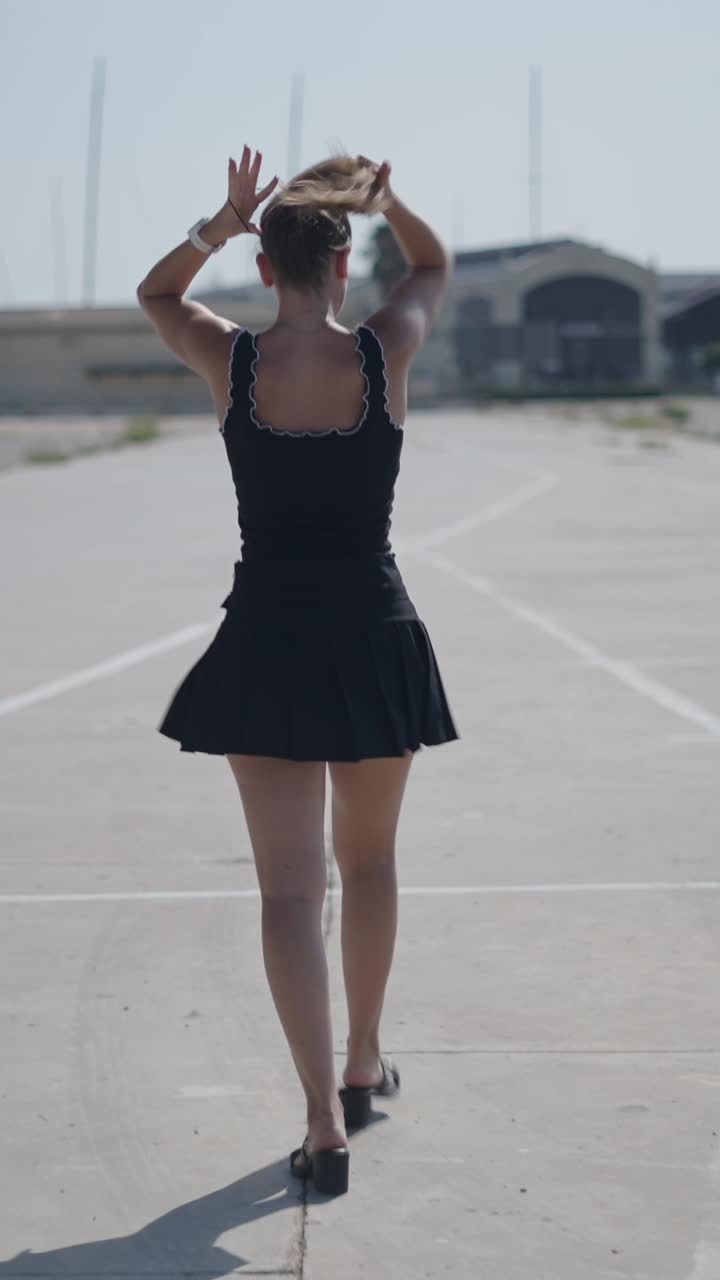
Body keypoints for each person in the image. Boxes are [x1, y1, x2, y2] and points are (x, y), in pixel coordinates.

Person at [137, 147, 459, 1196]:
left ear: (267, 268)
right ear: (344, 257)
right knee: (367, 865)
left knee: (288, 890)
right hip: (373, 631)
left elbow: (155, 292)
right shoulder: (384, 352)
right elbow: (432, 268)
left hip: (269, 636)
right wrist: (392, 198)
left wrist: (217, 224)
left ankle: (323, 1120)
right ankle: (366, 1060)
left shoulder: (230, 359)